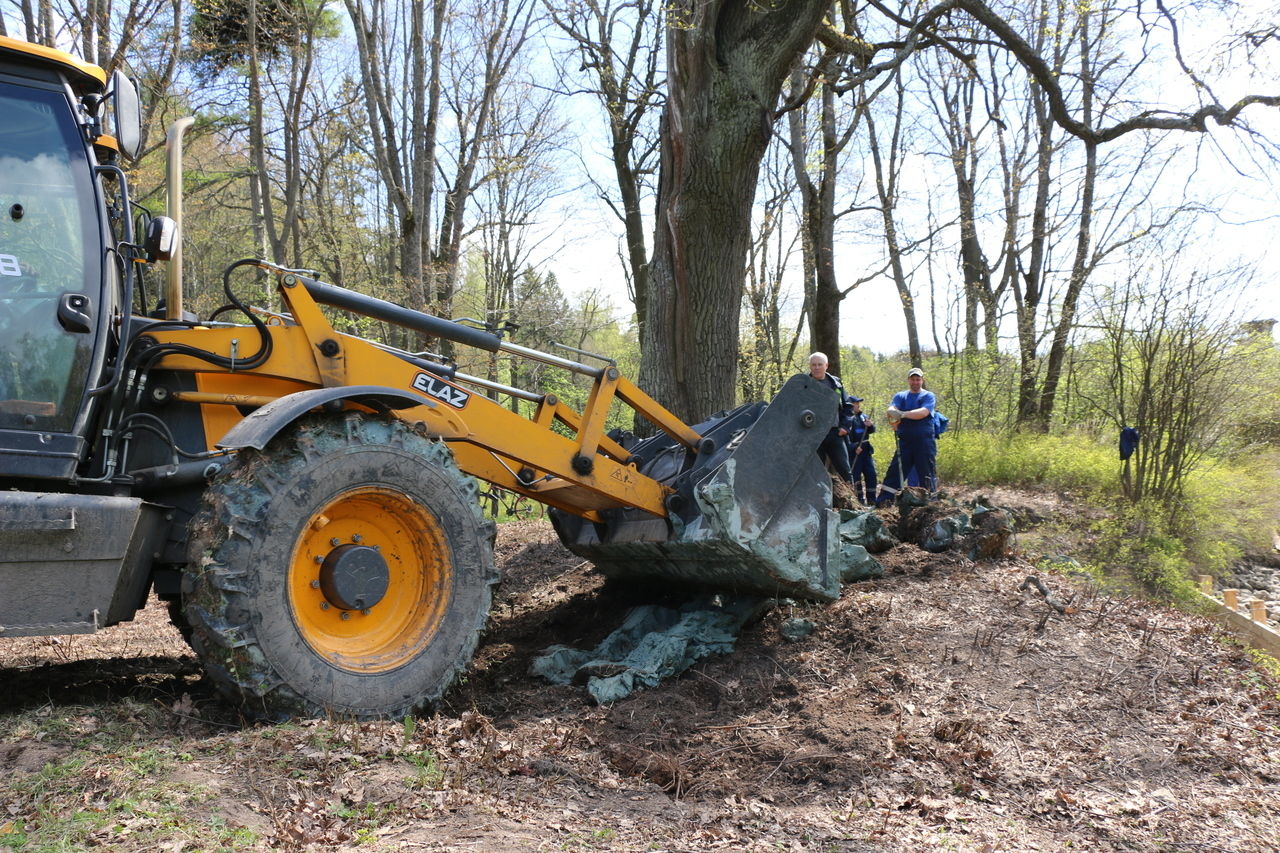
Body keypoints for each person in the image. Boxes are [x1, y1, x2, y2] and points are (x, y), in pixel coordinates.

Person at [886, 366, 937, 495]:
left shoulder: (928, 396)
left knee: (926, 474)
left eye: (918, 379)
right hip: (905, 443)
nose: (915, 382)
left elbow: (923, 412)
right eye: (913, 379)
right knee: (895, 473)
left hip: (924, 443)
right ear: (908, 380)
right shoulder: (900, 396)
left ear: (922, 380)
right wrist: (892, 412)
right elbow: (892, 409)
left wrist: (902, 414)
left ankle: (930, 504)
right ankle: (884, 501)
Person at [806, 352, 854, 485]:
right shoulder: (803, 384)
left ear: (826, 366)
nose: (816, 367)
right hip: (812, 435)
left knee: (844, 469)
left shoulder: (836, 384)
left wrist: (845, 427)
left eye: (820, 364)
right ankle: (816, 503)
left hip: (834, 433)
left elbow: (848, 407)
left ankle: (852, 501)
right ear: (810, 366)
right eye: (813, 365)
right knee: (814, 472)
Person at [846, 395, 877, 505]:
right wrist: (854, 447)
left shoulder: (863, 416)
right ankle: (859, 500)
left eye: (858, 403)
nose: (858, 405)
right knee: (856, 476)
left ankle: (872, 500)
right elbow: (845, 439)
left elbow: (872, 430)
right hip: (854, 452)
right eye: (855, 403)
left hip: (866, 450)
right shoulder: (847, 418)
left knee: (871, 474)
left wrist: (870, 425)